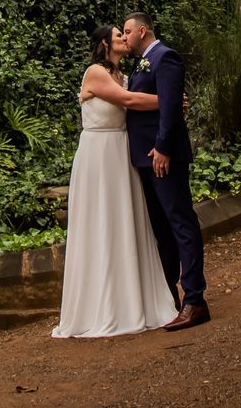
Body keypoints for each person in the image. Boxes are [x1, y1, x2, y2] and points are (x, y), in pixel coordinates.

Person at [53, 26, 179, 338]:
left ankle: (132, 300)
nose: (124, 38)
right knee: (101, 225)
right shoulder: (95, 72)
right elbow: (128, 101)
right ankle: (100, 306)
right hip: (97, 157)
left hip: (121, 155)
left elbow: (133, 101)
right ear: (104, 44)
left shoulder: (125, 73)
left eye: (125, 33)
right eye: (118, 35)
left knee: (126, 225)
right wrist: (170, 101)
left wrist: (171, 106)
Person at [121, 11, 210, 330]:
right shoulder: (139, 62)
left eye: (128, 31)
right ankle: (168, 296)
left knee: (181, 223)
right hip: (145, 159)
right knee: (162, 229)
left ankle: (196, 300)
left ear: (142, 31)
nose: (124, 36)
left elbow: (171, 107)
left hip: (163, 157)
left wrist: (163, 148)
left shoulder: (165, 57)